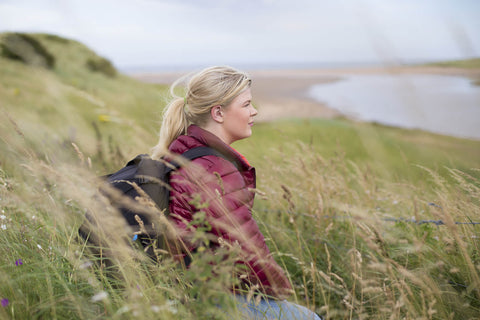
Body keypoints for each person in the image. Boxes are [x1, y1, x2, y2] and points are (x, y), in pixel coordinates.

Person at [151, 66, 321, 320]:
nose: (254, 112)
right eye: (246, 104)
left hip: (188, 284)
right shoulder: (213, 168)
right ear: (218, 112)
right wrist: (279, 291)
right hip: (208, 295)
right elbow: (245, 249)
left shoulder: (185, 150)